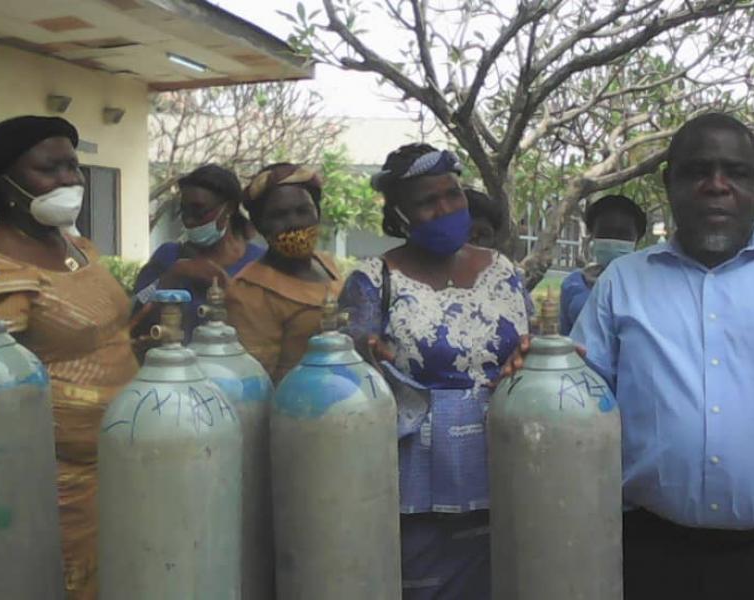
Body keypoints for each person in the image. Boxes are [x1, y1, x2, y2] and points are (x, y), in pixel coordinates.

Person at [505, 113, 754, 600]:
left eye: (735, 172)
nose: (717, 185)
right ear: (669, 184)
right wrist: (537, 374)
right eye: (697, 171)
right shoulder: (622, 282)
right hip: (648, 552)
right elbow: (577, 397)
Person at [339, 144, 531, 598]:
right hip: (417, 490)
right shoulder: (372, 280)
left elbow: (529, 346)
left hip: (504, 471)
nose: (444, 209)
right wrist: (367, 359)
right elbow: (350, 378)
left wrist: (527, 359)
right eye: (427, 202)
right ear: (400, 215)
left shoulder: (502, 271)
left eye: (453, 195)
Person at [0, 115, 138, 599]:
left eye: (74, 166)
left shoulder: (76, 246)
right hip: (60, 488)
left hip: (122, 465)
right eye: (51, 169)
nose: (70, 180)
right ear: (3, 184)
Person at [225, 163, 343, 383]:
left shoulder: (327, 265)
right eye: (279, 215)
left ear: (317, 213)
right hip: (294, 408)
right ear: (260, 225)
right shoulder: (249, 291)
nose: (294, 223)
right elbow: (255, 381)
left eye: (303, 211)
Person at [131, 164, 263, 344]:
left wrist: (232, 293)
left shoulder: (258, 263)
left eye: (199, 210)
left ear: (229, 209)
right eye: (184, 211)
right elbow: (134, 314)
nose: (189, 220)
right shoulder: (168, 256)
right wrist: (172, 276)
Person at [559, 194, 646, 334]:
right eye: (605, 232)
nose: (613, 240)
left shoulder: (649, 285)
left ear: (637, 239)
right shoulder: (574, 283)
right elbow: (564, 337)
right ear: (593, 235)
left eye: (623, 234)